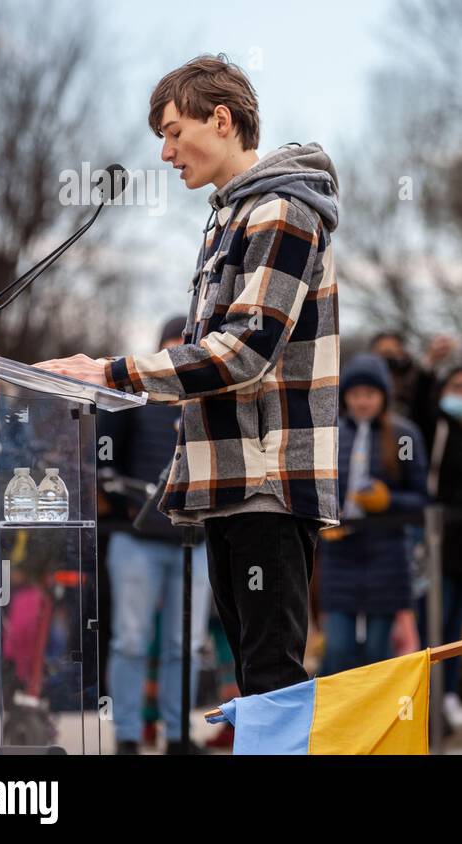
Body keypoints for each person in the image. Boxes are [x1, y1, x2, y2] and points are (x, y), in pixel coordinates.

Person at [35, 54, 341, 698]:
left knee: (273, 680)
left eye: (175, 132)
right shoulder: (228, 217)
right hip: (230, 483)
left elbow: (245, 351)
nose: (168, 153)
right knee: (254, 679)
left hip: (268, 484)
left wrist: (116, 373)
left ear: (222, 120)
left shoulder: (281, 210)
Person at [99, 315, 212, 754]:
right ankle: (127, 734)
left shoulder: (210, 403)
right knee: (129, 639)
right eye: (172, 345)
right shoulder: (130, 400)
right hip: (136, 540)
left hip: (194, 543)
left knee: (185, 644)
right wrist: (122, 493)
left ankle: (177, 735)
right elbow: (102, 461)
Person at [318, 354, 428, 674]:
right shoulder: (330, 433)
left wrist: (388, 501)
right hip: (340, 555)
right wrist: (328, 514)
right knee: (338, 649)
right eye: (355, 394)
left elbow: (422, 499)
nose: (362, 402)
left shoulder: (404, 434)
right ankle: (340, 719)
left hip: (388, 555)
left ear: (383, 396)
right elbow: (315, 489)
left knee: (379, 653)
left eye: (370, 394)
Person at [418, 362, 462, 729]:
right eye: (455, 386)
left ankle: (449, 696)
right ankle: (425, 698)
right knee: (433, 625)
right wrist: (432, 367)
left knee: (457, 627)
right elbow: (419, 403)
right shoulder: (437, 429)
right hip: (439, 543)